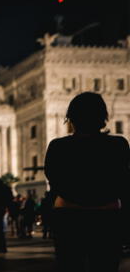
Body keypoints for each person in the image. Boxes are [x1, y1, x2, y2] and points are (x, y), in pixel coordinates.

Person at [45, 92, 130, 272]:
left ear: (71, 118)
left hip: (69, 218)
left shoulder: (57, 147)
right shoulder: (119, 145)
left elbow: (55, 182)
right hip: (106, 219)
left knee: (70, 266)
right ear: (103, 117)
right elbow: (123, 183)